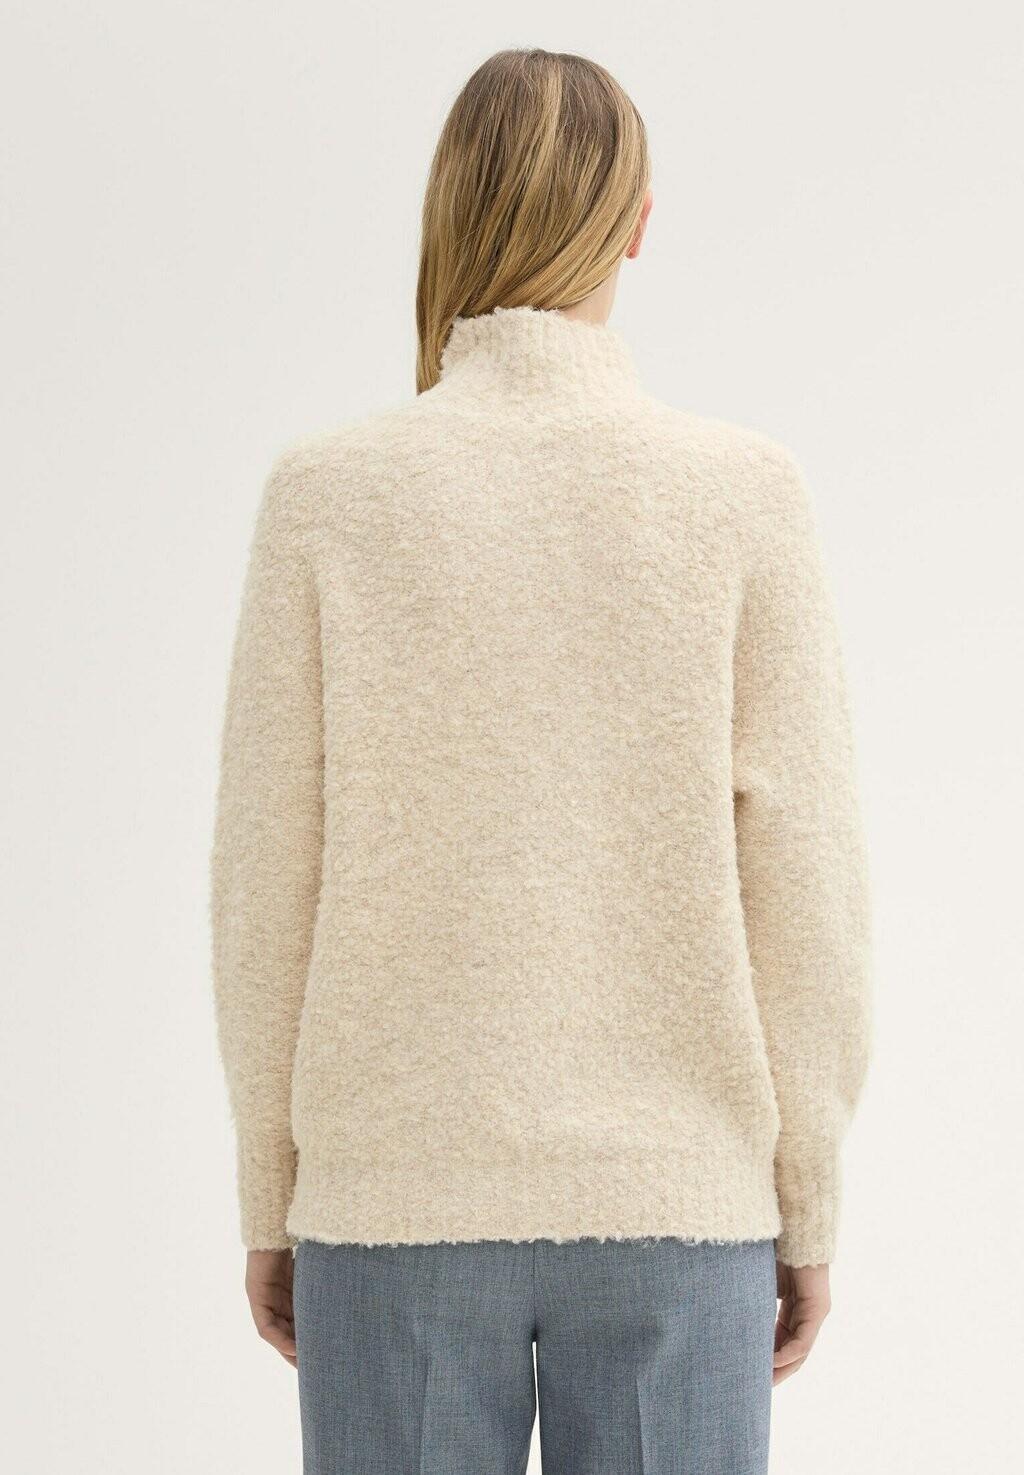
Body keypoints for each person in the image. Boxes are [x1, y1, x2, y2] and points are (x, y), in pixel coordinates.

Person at [211, 47, 872, 1475]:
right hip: (678, 1208)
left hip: (389, 1203)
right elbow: (808, 886)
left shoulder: (325, 497)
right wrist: (808, 1199)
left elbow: (265, 883)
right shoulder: (742, 495)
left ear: (447, 206)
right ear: (639, 222)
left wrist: (273, 1189)